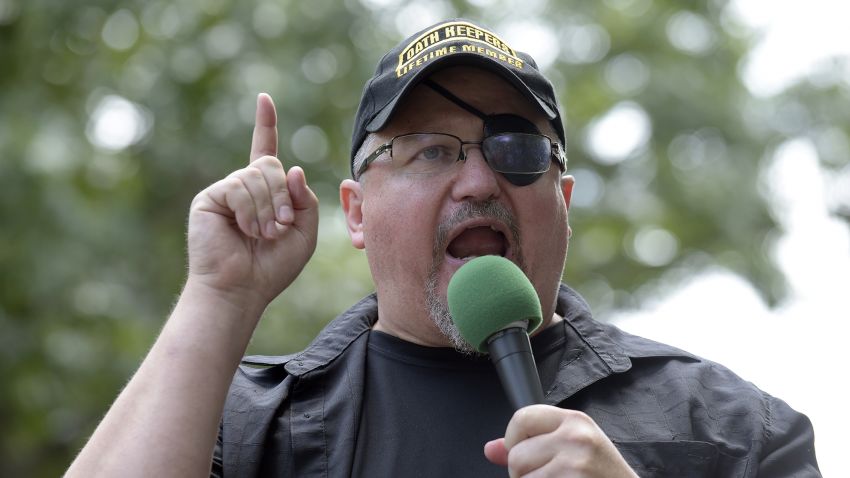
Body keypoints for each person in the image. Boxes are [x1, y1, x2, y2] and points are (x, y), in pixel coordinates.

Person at [67, 18, 820, 477]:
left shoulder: (734, 431)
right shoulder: (243, 427)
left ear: (562, 203)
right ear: (355, 214)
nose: (477, 178)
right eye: (429, 150)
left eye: (516, 149)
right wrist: (219, 296)